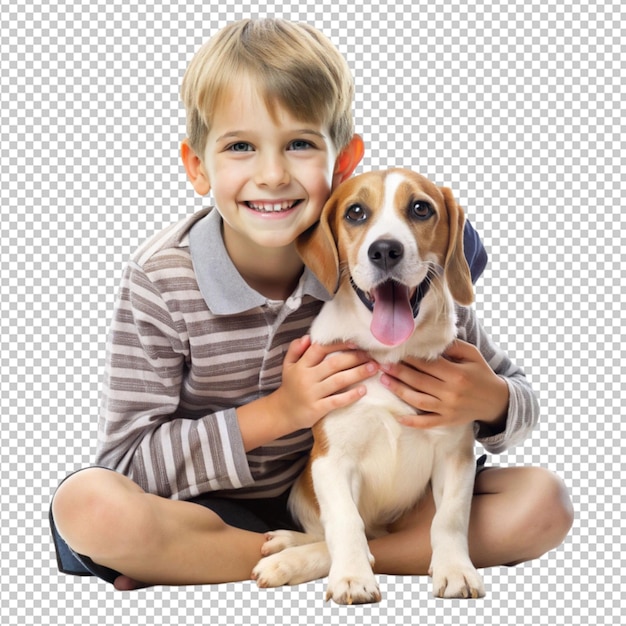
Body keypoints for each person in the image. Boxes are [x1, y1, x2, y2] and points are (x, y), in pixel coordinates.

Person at [50, 18, 573, 591]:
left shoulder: (397, 270)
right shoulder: (160, 282)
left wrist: (491, 401)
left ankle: (311, 556)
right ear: (198, 165)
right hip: (214, 508)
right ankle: (309, 554)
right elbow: (125, 462)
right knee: (89, 507)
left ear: (342, 161)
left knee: (543, 503)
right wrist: (280, 412)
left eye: (299, 144)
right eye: (240, 146)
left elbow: (517, 398)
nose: (272, 175)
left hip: (377, 505)